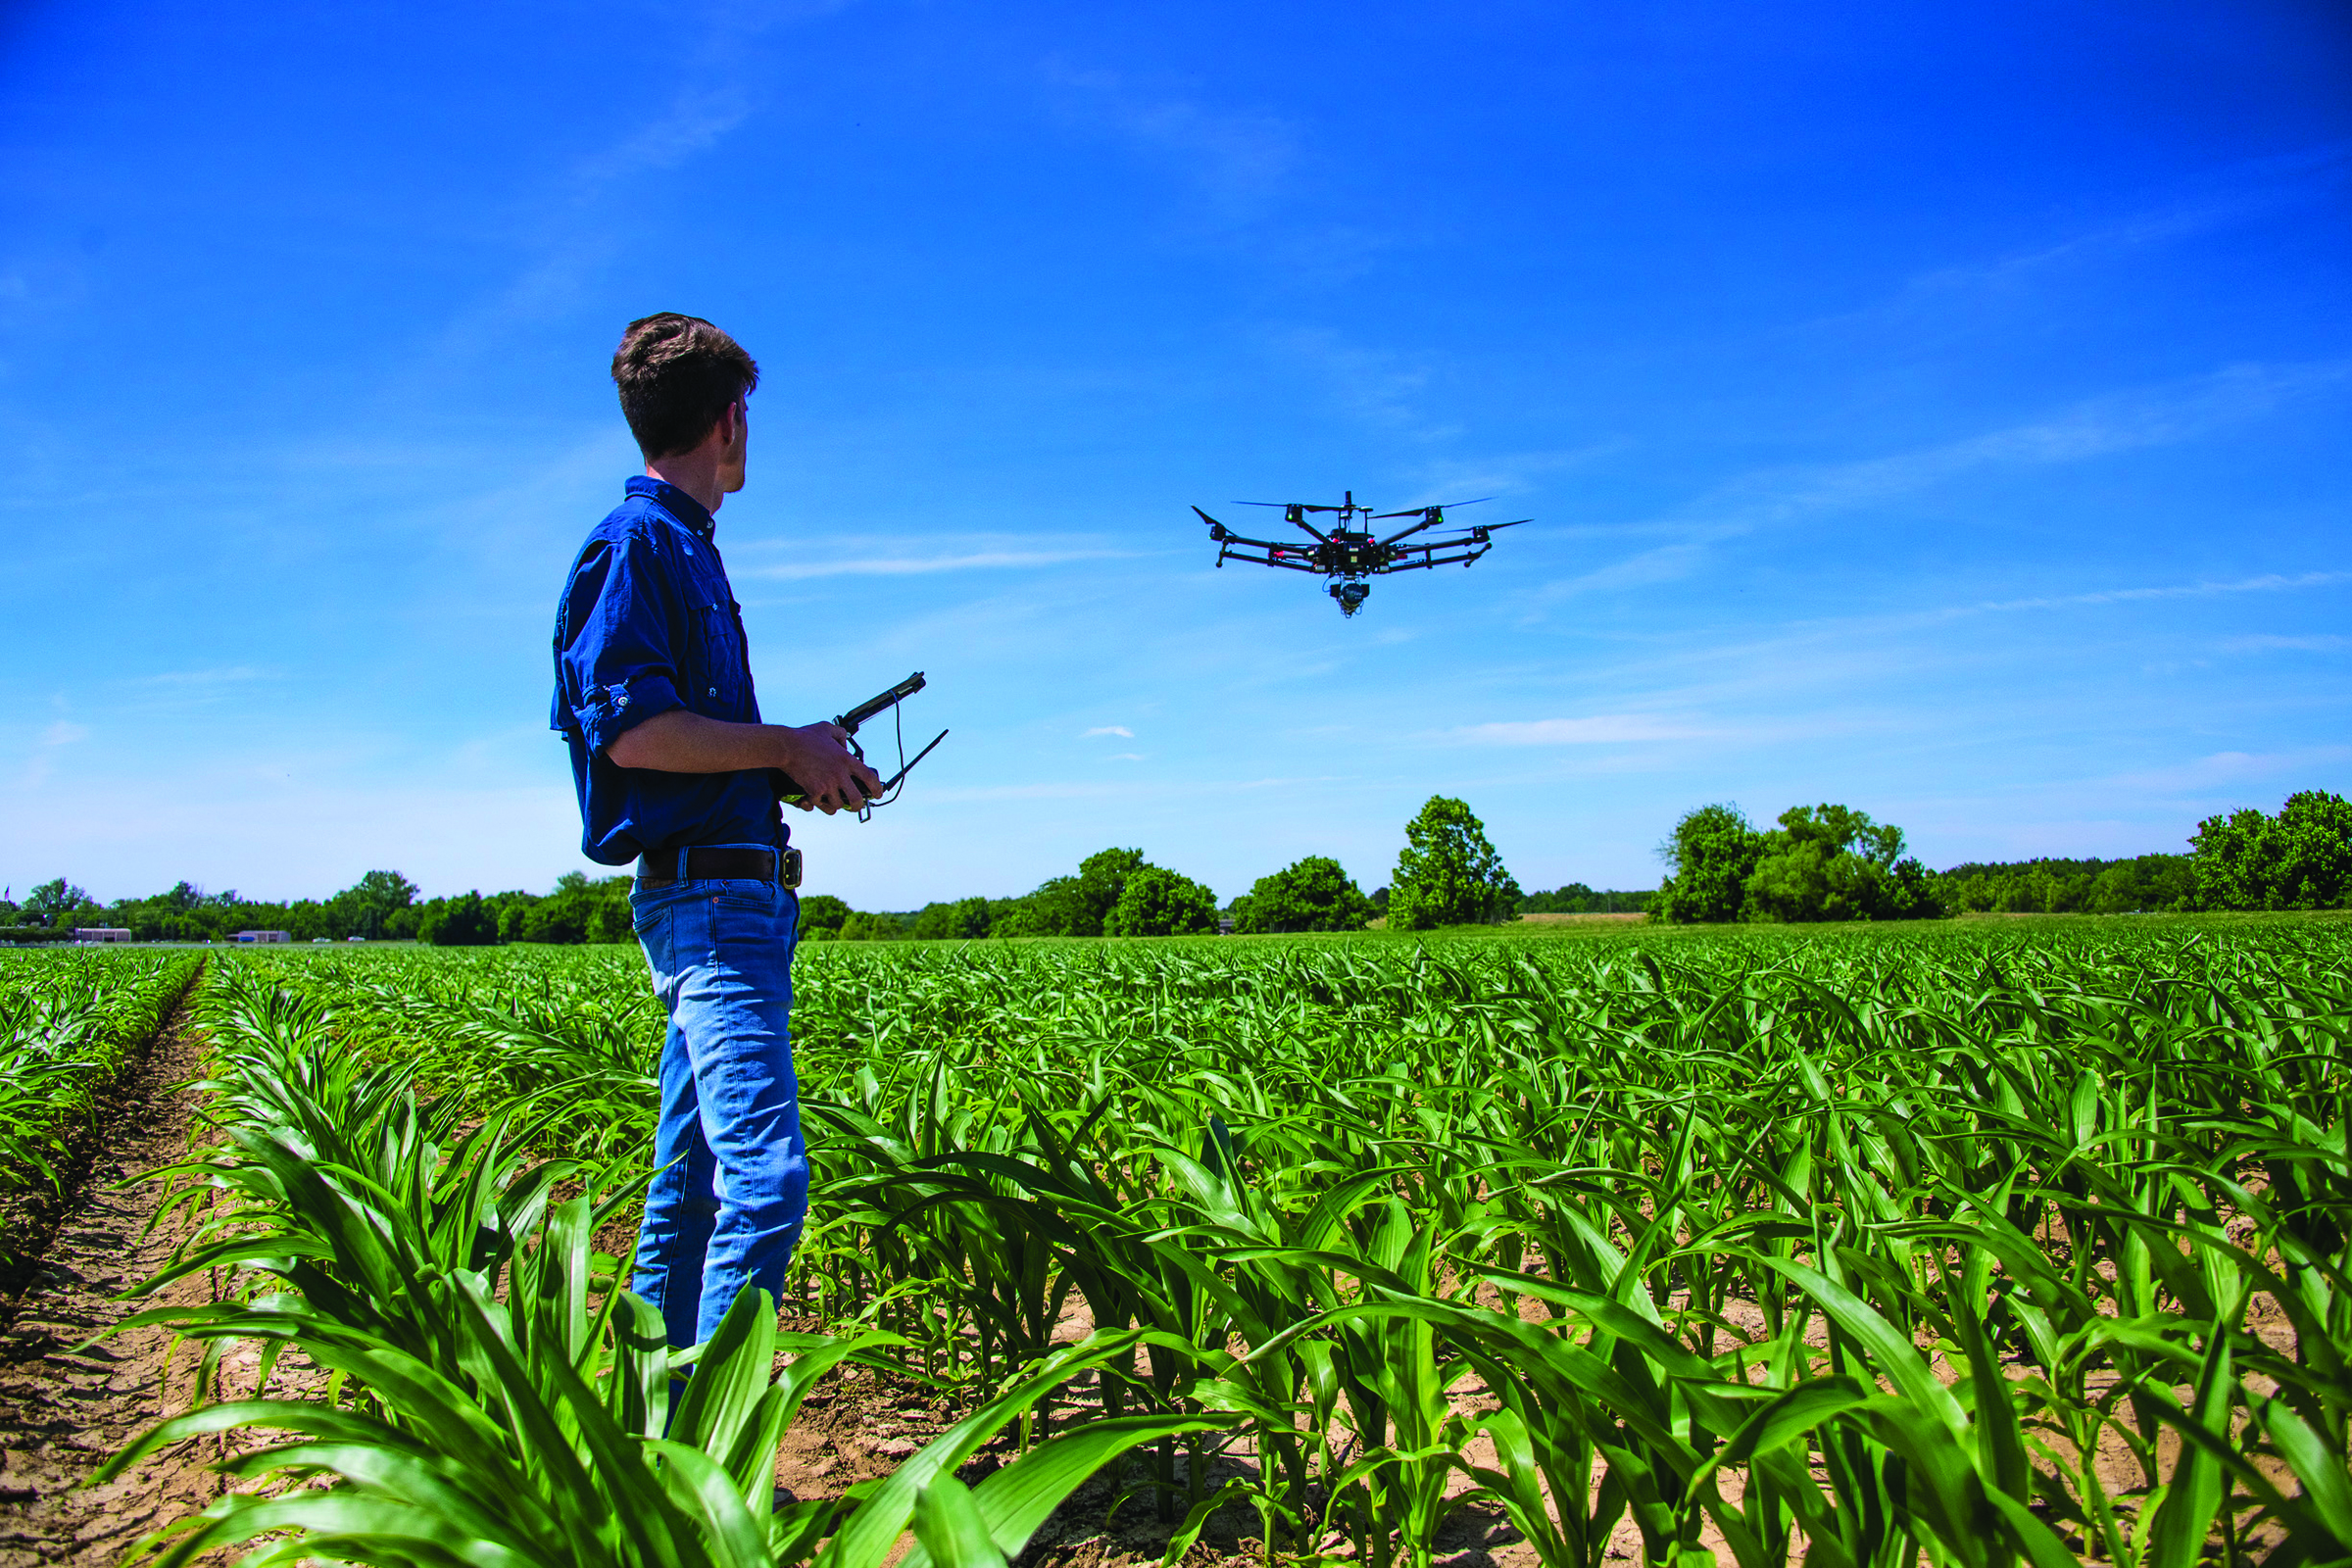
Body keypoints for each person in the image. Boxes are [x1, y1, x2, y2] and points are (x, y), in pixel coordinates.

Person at [550, 313, 880, 1355]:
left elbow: (698, 740)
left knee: (690, 1193)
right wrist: (783, 746)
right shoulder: (639, 543)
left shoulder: (681, 547)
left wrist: (799, 759)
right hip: (709, 905)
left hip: (733, 891)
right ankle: (709, 1472)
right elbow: (638, 732)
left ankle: (655, 1444)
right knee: (769, 1182)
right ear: (732, 418)